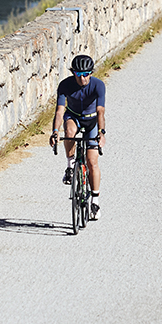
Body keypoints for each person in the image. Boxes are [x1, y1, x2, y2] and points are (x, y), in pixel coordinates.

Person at [50, 54, 106, 220]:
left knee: (92, 162)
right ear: (73, 73)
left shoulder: (98, 85)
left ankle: (95, 201)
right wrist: (54, 131)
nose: (84, 78)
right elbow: (60, 111)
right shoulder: (65, 85)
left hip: (92, 121)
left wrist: (102, 133)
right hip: (73, 116)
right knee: (69, 132)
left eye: (87, 73)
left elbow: (100, 111)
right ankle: (70, 165)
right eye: (80, 74)